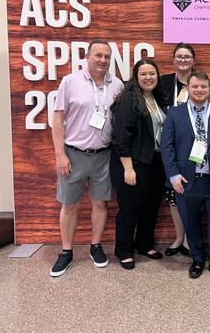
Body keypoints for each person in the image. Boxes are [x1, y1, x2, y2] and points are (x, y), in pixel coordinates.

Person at [50, 40, 124, 277]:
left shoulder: (117, 85)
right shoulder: (70, 82)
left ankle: (95, 246)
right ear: (87, 56)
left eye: (106, 57)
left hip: (104, 155)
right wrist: (60, 154)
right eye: (98, 55)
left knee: (100, 203)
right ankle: (66, 251)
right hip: (74, 154)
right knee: (69, 204)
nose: (102, 60)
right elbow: (58, 118)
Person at [161, 71, 210, 281]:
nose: (199, 91)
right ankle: (197, 259)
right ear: (188, 88)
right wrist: (174, 175)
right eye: (195, 87)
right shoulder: (174, 114)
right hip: (186, 182)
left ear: (208, 89)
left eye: (203, 87)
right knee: (191, 223)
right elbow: (166, 148)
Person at [110, 59, 166, 270]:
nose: (148, 77)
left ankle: (144, 244)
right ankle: (123, 250)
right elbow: (120, 137)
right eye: (143, 74)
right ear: (136, 76)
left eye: (152, 73)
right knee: (130, 209)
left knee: (151, 207)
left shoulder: (157, 98)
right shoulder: (129, 100)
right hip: (132, 163)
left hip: (155, 162)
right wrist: (128, 168)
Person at [159, 42, 195, 256]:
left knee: (191, 195)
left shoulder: (200, 82)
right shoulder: (162, 83)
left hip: (193, 150)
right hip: (168, 147)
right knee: (173, 194)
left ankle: (190, 240)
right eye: (179, 56)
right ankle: (179, 237)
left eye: (187, 56)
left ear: (193, 61)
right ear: (173, 60)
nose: (183, 60)